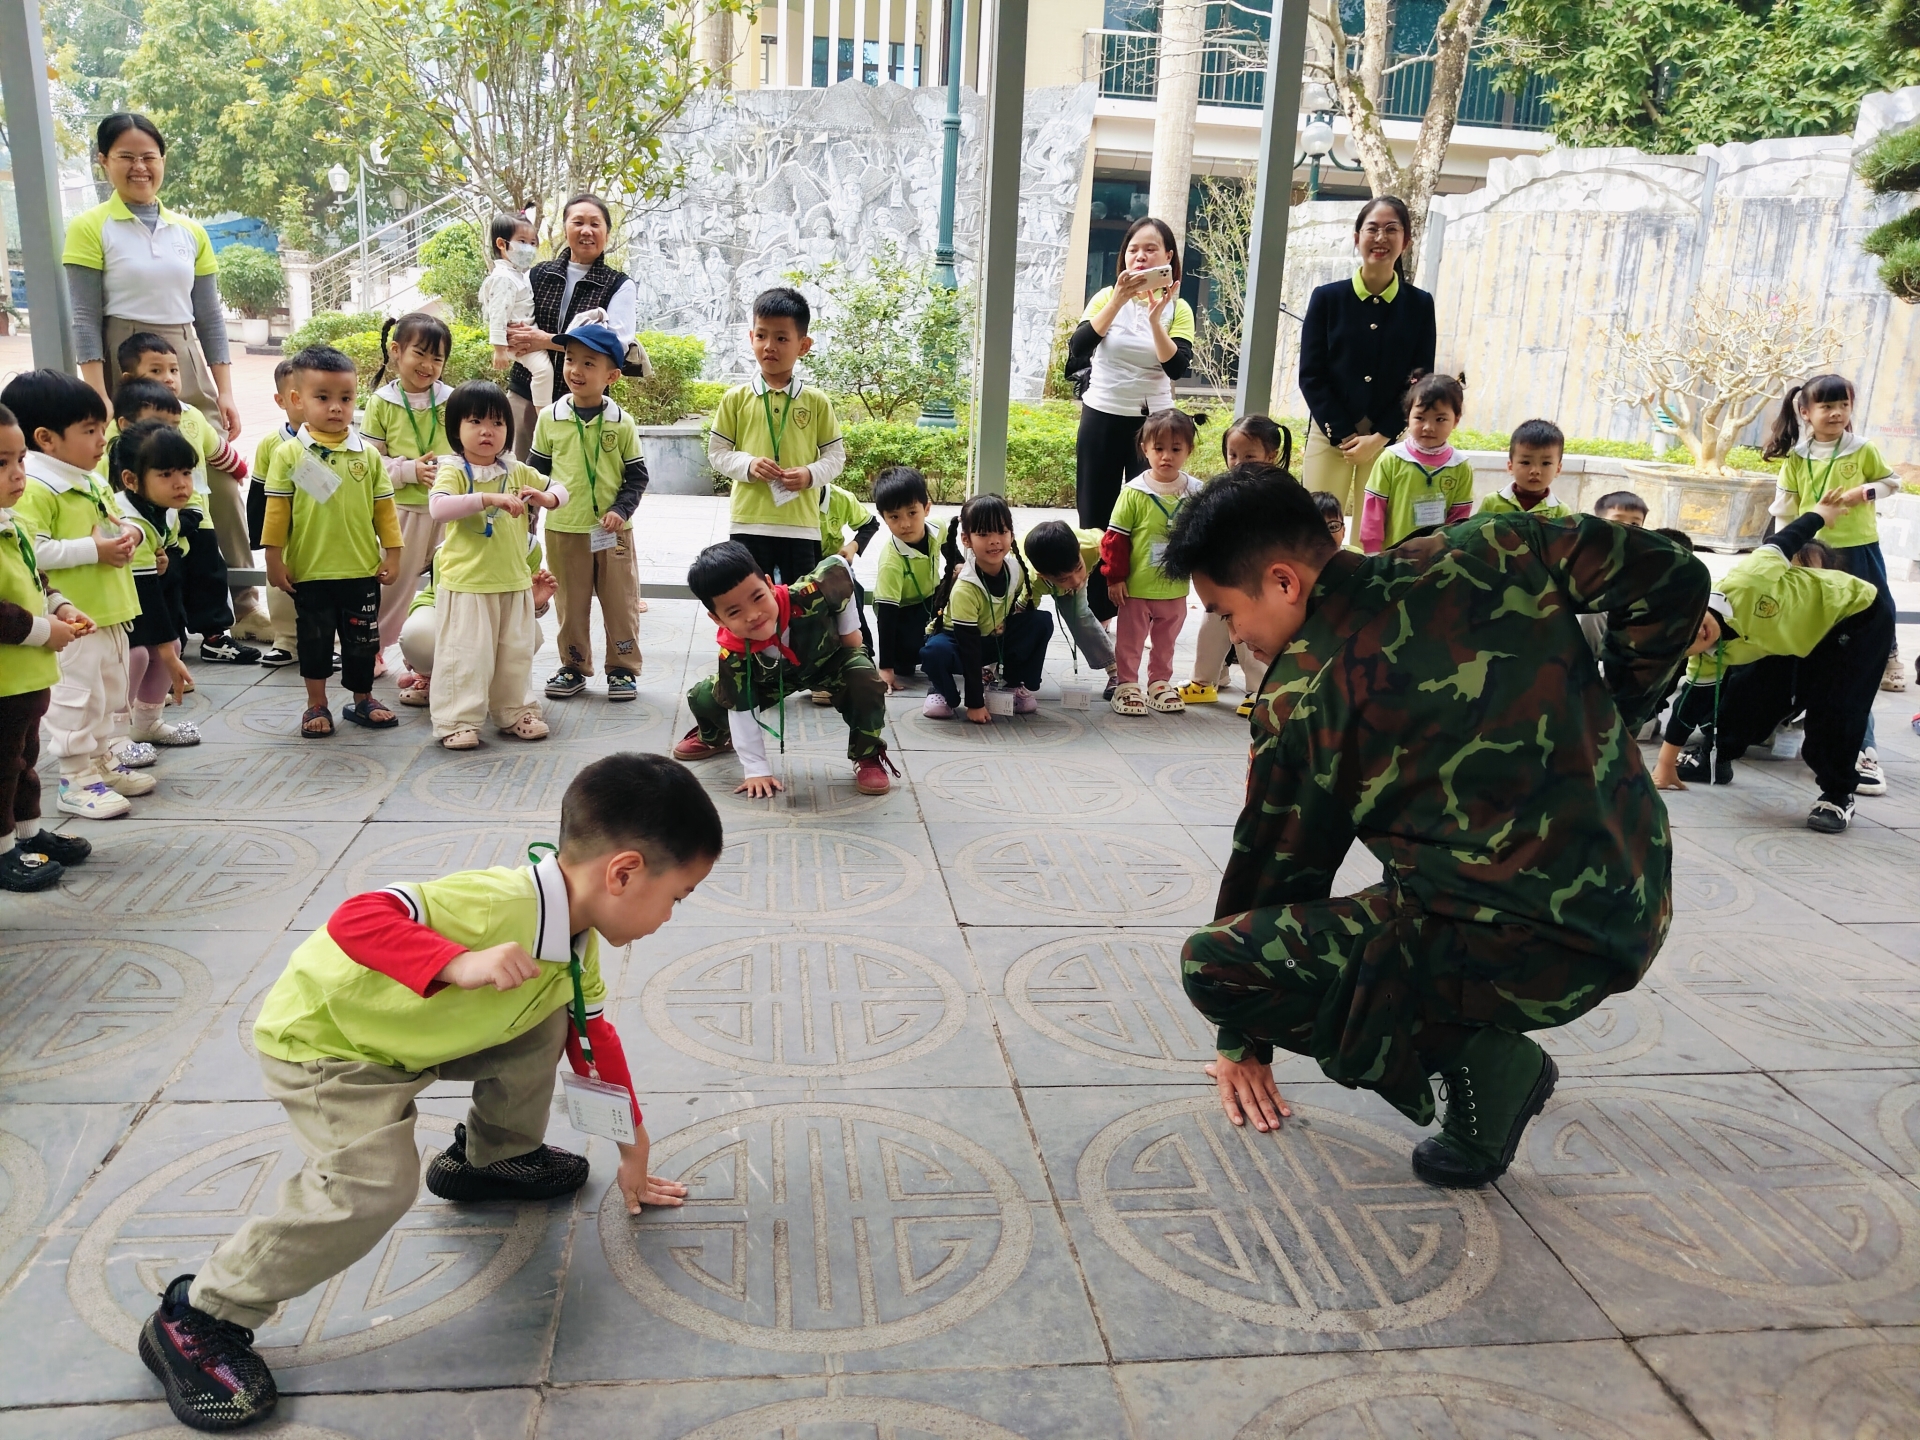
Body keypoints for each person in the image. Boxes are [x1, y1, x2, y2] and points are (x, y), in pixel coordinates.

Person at [136, 752, 719, 1433]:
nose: (673, 915)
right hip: (333, 1047)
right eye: (677, 897)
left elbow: (591, 1042)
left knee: (554, 1018)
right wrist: (456, 962)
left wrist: (633, 1146)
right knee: (372, 1187)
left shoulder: (578, 938)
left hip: (418, 1038)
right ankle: (200, 1314)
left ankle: (490, 1159)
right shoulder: (497, 900)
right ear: (623, 872)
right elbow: (359, 916)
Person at [1164, 466, 1708, 1187]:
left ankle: (1491, 1065)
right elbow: (1670, 575)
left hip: (1535, 952)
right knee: (1417, 887)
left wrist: (1243, 1039)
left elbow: (1275, 873)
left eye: (1227, 612)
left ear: (1284, 581)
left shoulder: (1303, 697)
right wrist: (1620, 710)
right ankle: (1482, 1050)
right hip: (1642, 889)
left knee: (1219, 963)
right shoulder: (1493, 540)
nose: (1236, 635)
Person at [63, 114, 262, 641]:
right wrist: (98, 394)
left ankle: (245, 603)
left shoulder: (189, 231)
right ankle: (136, 605)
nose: (139, 166)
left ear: (163, 161)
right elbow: (83, 317)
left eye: (148, 155)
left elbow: (211, 317)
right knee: (125, 477)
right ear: (104, 162)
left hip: (184, 353)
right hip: (119, 356)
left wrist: (224, 390)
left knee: (217, 473)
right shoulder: (90, 227)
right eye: (125, 156)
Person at [1650, 499, 1890, 833]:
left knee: (1836, 710)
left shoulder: (1747, 580)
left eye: (1690, 621)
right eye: (1686, 641)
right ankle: (1715, 759)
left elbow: (1785, 540)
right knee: (1749, 692)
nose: (1697, 633)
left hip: (1857, 615)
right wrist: (1664, 765)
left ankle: (1838, 795)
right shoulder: (1707, 657)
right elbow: (1690, 705)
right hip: (1793, 636)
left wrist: (1821, 513)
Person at [1, 369, 150, 818]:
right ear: (46, 438)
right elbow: (35, 552)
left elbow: (119, 521)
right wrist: (95, 549)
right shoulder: (37, 489)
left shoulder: (91, 479)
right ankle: (74, 777)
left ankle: (100, 762)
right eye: (89, 430)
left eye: (102, 428)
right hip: (73, 621)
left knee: (108, 694)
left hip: (108, 611)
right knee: (77, 699)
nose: (101, 439)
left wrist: (130, 536)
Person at [1763, 371, 1905, 783]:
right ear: (1805, 412)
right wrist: (1786, 554)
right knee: (1807, 637)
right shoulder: (1798, 456)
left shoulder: (1861, 450)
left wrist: (1866, 492)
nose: (1837, 413)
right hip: (1812, 555)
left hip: (1858, 551)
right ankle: (1778, 721)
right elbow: (1785, 509)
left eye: (1843, 404)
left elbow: (1892, 481)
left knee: (1862, 638)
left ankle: (1862, 747)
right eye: (1827, 406)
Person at [672, 544, 895, 797]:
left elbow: (838, 567)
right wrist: (756, 769)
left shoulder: (810, 594)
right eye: (734, 611)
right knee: (704, 697)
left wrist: (849, 633)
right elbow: (741, 709)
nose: (754, 615)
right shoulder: (733, 653)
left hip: (827, 663)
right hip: (766, 682)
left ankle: (867, 755)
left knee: (863, 675)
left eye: (758, 597)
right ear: (718, 619)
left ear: (769, 584)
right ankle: (714, 737)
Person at [262, 346, 403, 738]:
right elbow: (277, 512)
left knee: (362, 640)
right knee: (315, 642)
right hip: (310, 572)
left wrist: (393, 553)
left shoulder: (368, 456)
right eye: (322, 398)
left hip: (361, 569)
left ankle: (362, 699)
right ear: (297, 400)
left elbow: (385, 511)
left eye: (346, 398)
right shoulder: (289, 454)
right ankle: (316, 705)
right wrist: (274, 559)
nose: (336, 407)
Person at [426, 382, 564, 749]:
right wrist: (486, 497)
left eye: (497, 423)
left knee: (513, 654)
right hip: (467, 582)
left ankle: (516, 712)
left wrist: (546, 497)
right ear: (456, 427)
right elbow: (438, 508)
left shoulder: (515, 469)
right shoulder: (453, 469)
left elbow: (560, 490)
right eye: (475, 422)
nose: (487, 431)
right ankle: (458, 720)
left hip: (512, 580)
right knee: (465, 655)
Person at [112, 333, 259, 661]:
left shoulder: (190, 415)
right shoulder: (121, 429)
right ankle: (167, 645)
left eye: (174, 370)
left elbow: (215, 448)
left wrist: (238, 470)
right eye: (156, 370)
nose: (168, 378)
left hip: (194, 515)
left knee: (209, 575)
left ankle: (214, 636)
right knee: (168, 581)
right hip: (147, 523)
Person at [1298, 197, 1437, 534]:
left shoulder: (1419, 305)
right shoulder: (1328, 298)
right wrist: (1345, 434)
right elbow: (1311, 375)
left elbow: (1419, 380)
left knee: (1373, 536)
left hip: (1384, 439)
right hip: (1330, 434)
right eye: (1372, 228)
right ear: (1356, 236)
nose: (1381, 238)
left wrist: (1381, 436)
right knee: (1314, 532)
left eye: (1392, 229)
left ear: (1406, 241)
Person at [0, 402, 95, 890]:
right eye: (2, 464)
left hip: (27, 676)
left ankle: (27, 833)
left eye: (20, 460)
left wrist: (59, 606)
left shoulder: (10, 522)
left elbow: (36, 578)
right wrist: (45, 630)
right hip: (6, 678)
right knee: (1, 765)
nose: (18, 475)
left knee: (24, 760)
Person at [529, 321, 648, 702]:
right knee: (570, 603)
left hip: (613, 532)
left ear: (611, 375)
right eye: (570, 360)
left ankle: (623, 669)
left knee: (620, 603)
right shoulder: (549, 418)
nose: (575, 371)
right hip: (564, 529)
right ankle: (573, 666)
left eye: (589, 363)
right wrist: (531, 511)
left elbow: (637, 477)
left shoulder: (622, 423)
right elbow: (537, 473)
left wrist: (620, 509)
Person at [707, 286, 846, 583]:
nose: (769, 345)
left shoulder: (816, 401)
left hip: (801, 525)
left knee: (801, 608)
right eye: (761, 335)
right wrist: (748, 464)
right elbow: (717, 453)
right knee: (752, 602)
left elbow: (835, 457)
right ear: (751, 337)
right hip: (749, 523)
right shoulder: (735, 399)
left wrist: (810, 474)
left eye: (782, 338)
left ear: (803, 345)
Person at [1068, 216, 1198, 529]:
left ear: (1168, 257)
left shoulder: (1178, 309)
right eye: (1132, 249)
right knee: (1096, 518)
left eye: (1150, 249)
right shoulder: (1104, 298)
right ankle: (1099, 579)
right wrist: (1117, 301)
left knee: (1148, 517)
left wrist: (1155, 321)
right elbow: (1079, 346)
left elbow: (1176, 367)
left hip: (1154, 426)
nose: (1140, 256)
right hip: (1101, 416)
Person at [505, 193, 636, 461]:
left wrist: (545, 340)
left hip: (585, 403)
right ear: (565, 229)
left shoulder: (618, 285)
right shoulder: (538, 274)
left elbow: (614, 344)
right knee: (519, 484)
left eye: (595, 224)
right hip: (526, 395)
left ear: (607, 234)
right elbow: (515, 320)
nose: (586, 230)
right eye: (578, 222)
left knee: (575, 484)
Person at [363, 313, 454, 674]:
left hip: (448, 510)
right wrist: (409, 471)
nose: (428, 365)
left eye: (438, 358)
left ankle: (431, 659)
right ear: (396, 351)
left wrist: (446, 468)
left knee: (448, 582)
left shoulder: (452, 399)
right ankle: (374, 647)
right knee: (391, 583)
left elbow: (468, 451)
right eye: (421, 354)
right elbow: (372, 464)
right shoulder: (381, 403)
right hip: (401, 510)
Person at [1102, 408, 1205, 716]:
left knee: (1166, 641)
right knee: (1130, 641)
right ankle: (1127, 684)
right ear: (1144, 449)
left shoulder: (1197, 492)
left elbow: (1205, 537)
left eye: (1176, 449)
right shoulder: (1133, 492)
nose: (1166, 456)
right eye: (1158, 449)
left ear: (1189, 450)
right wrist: (1115, 578)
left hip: (1175, 589)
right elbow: (1115, 540)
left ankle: (1159, 682)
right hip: (1135, 587)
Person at [1182, 415, 1287, 712]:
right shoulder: (1222, 489)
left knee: (1248, 635)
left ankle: (1258, 689)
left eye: (1249, 455)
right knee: (1211, 627)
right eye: (1233, 455)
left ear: (1271, 455)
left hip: (1257, 582)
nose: (1239, 462)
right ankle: (1203, 682)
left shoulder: (1278, 493)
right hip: (1222, 576)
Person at [921, 495, 1054, 723]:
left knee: (1040, 621)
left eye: (1002, 532)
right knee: (934, 651)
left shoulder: (1016, 569)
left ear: (1011, 534)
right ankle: (943, 692)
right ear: (966, 539)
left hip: (991, 637)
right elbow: (969, 647)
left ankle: (1014, 685)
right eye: (983, 534)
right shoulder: (965, 587)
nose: (994, 541)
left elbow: (1014, 604)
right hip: (960, 643)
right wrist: (975, 703)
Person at [110, 420, 200, 751]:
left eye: (186, 472)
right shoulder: (129, 522)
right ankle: (113, 737)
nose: (181, 484)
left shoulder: (167, 512)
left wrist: (164, 563)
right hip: (108, 607)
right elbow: (145, 593)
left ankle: (147, 724)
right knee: (133, 656)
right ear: (131, 480)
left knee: (171, 646)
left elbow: (167, 571)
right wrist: (165, 650)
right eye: (165, 475)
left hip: (136, 598)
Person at [396, 550, 558, 708]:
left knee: (530, 634)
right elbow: (450, 616)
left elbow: (522, 607)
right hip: (448, 610)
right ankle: (430, 674)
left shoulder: (529, 546)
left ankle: (496, 687)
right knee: (420, 636)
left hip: (500, 610)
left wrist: (532, 604)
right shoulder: (450, 547)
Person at [1360, 373, 1475, 554]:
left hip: (1436, 561)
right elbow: (1374, 511)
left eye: (1440, 419)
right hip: (1391, 558)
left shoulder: (1460, 467)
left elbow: (1458, 519)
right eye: (1420, 418)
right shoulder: (1391, 459)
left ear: (1456, 420)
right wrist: (1373, 552)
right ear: (1407, 416)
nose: (1428, 427)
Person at [1022, 519, 1119, 700]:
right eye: (1065, 578)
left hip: (1067, 569)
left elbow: (1116, 547)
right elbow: (1021, 620)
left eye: (1078, 568)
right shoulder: (1031, 581)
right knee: (1020, 622)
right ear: (1042, 576)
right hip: (1033, 582)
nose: (1075, 580)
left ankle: (1115, 671)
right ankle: (992, 667)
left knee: (1080, 616)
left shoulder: (1093, 545)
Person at [869, 466, 945, 690]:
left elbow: (949, 543)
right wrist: (886, 667)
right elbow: (886, 616)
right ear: (884, 518)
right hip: (901, 612)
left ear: (926, 508)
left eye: (912, 513)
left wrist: (957, 563)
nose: (905, 524)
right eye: (894, 517)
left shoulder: (937, 527)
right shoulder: (891, 561)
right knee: (909, 658)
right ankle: (905, 658)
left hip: (932, 599)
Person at [249, 360, 300, 669]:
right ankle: (286, 639)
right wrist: (263, 541)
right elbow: (258, 493)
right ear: (281, 400)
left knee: (325, 588)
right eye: (295, 395)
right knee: (281, 585)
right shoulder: (271, 444)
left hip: (327, 533)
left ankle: (325, 640)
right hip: (285, 533)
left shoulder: (345, 442)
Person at [814, 479, 880, 697]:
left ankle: (863, 655)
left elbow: (870, 523)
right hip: (795, 571)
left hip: (832, 569)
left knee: (854, 594)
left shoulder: (840, 498)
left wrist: (852, 546)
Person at [479, 213, 548, 411]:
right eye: (522, 241)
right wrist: (499, 349)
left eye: (533, 242)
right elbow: (498, 315)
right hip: (516, 340)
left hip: (525, 335)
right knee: (543, 370)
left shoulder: (517, 274)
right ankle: (544, 416)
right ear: (501, 243)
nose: (529, 247)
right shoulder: (504, 278)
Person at [1477, 419, 1574, 519]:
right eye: (1525, 462)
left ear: (1558, 469)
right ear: (1510, 466)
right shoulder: (1492, 503)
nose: (1535, 471)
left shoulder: (1561, 512)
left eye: (1546, 463)